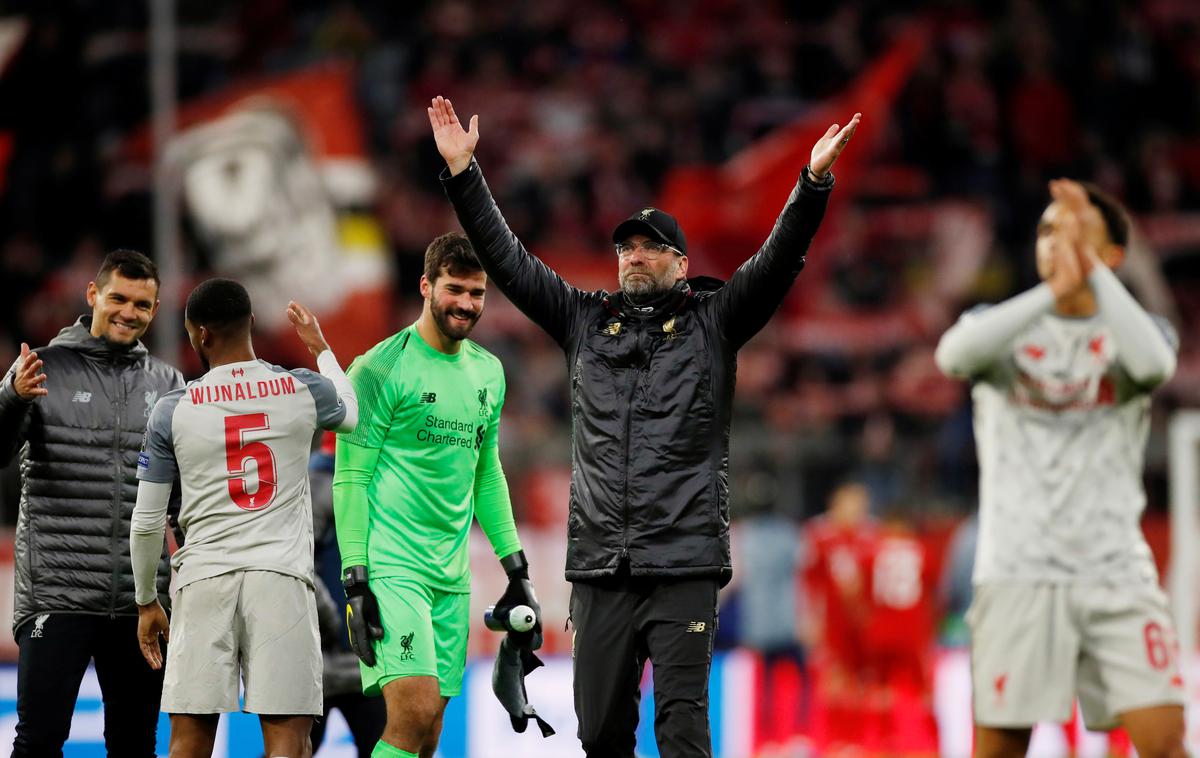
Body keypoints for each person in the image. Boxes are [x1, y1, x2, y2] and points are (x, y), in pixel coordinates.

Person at [429, 94, 860, 757]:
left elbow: (776, 265)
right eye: (626, 246)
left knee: (682, 730)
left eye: (651, 248)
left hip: (683, 560)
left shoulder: (714, 324)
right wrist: (465, 175)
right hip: (600, 566)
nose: (634, 255)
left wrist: (811, 185)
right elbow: (509, 262)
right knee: (601, 733)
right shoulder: (582, 320)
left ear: (681, 264)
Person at [935, 179, 1185, 758]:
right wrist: (1056, 292)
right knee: (999, 749)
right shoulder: (999, 327)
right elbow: (953, 356)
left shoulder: (1134, 336)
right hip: (1017, 573)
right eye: (1048, 230)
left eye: (1075, 231)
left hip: (1116, 573)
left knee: (1166, 743)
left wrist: (1093, 280)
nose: (1056, 241)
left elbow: (1155, 367)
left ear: (1112, 256)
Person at [129, 279, 358, 758]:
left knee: (189, 740)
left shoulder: (173, 410)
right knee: (288, 739)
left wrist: (147, 599)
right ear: (252, 323)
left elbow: (148, 521)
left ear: (198, 335)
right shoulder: (300, 388)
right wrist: (319, 347)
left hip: (203, 582)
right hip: (281, 580)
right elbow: (351, 412)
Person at [332, 232, 538, 758]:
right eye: (454, 289)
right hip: (392, 569)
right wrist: (356, 579)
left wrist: (517, 568)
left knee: (430, 732)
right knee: (414, 708)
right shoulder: (378, 369)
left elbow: (485, 472)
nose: (467, 304)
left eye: (477, 293)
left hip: (452, 575)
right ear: (426, 285)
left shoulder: (488, 372)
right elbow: (350, 477)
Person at [0, 249, 182, 757]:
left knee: (133, 744)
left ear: (155, 308)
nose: (129, 312)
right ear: (92, 295)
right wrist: (12, 397)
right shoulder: (39, 367)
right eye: (119, 298)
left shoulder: (169, 384)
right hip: (57, 595)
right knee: (39, 741)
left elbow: (182, 500)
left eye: (142, 305)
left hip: (140, 604)